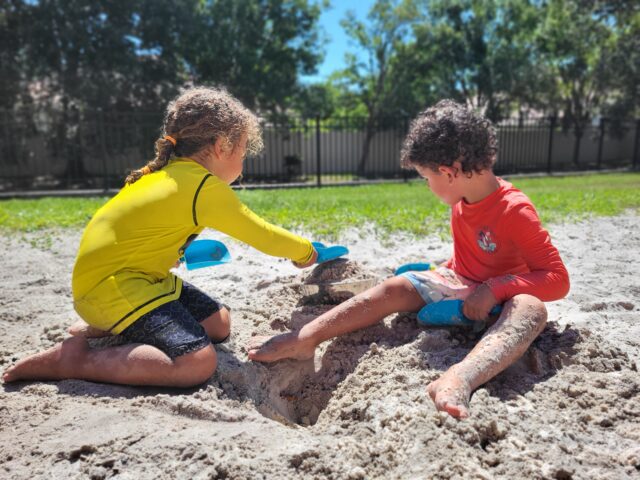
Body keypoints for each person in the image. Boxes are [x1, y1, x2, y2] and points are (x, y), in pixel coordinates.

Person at [247, 100, 570, 419]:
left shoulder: (515, 210)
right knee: (394, 286)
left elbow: (557, 279)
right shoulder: (463, 200)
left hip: (501, 302)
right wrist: (441, 270)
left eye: (426, 178)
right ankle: (307, 338)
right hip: (463, 286)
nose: (428, 186)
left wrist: (496, 288)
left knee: (531, 308)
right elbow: (476, 254)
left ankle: (460, 378)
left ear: (449, 172)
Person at [3, 86, 318, 388]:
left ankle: (109, 324)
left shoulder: (160, 174)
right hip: (115, 288)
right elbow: (262, 234)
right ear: (222, 146)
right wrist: (306, 252)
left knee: (218, 324)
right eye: (243, 151)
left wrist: (180, 252)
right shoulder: (204, 187)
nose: (243, 162)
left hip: (132, 280)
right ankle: (74, 361)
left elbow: (139, 235)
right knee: (196, 362)